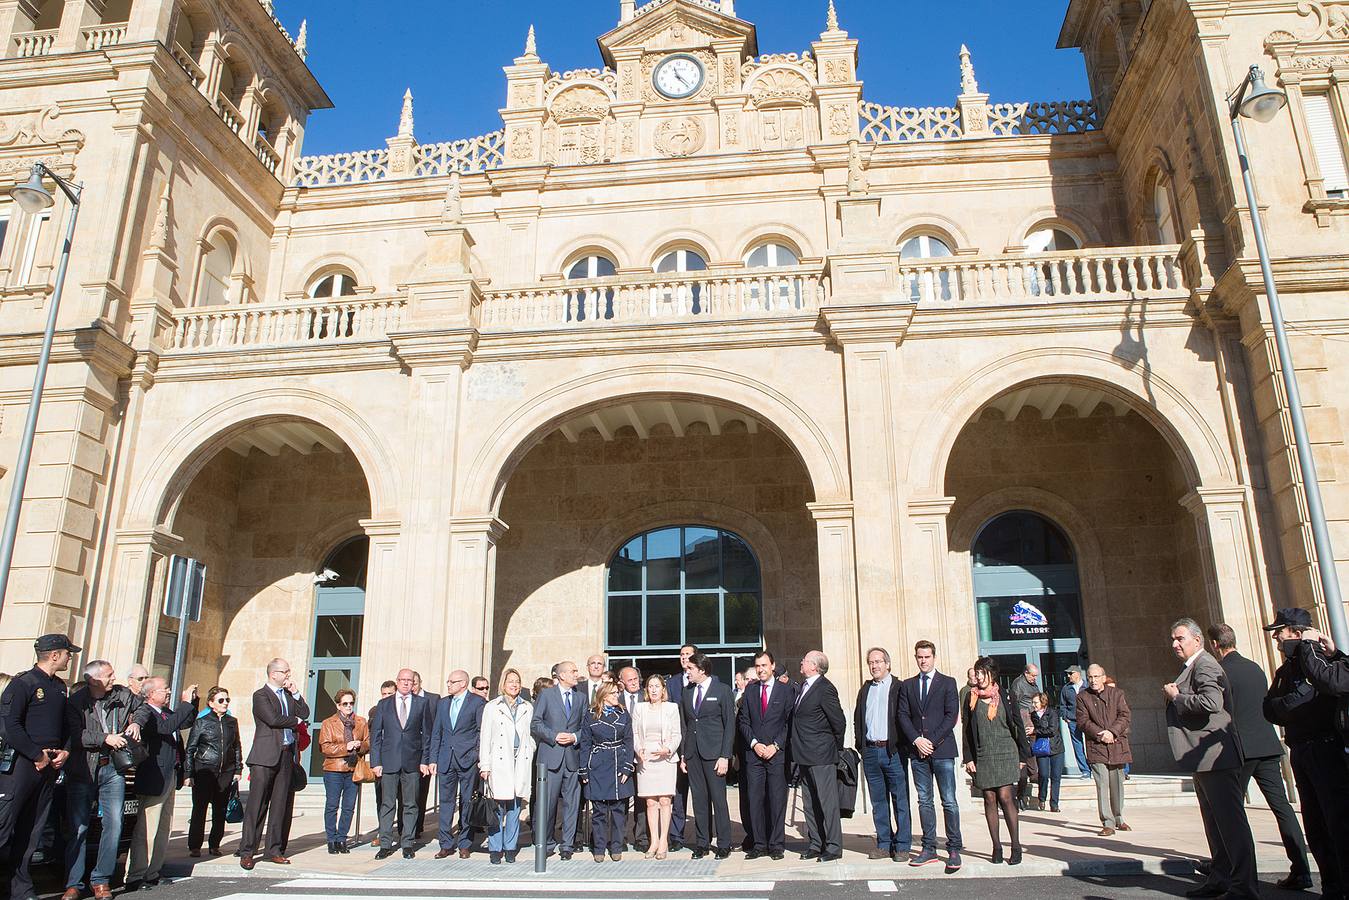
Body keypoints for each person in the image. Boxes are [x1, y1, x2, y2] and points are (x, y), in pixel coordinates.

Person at [1207, 622, 1311, 890]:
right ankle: (1301, 868)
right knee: (1282, 809)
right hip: (1267, 746)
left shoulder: (1220, 672)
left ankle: (1230, 870)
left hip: (1240, 749)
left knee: (1229, 813)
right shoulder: (1255, 667)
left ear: (1214, 644)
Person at [1164, 618, 1258, 900]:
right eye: (1173, 638)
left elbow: (1211, 703)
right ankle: (1221, 878)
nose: (1174, 644)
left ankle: (1244, 887)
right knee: (1215, 824)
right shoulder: (1192, 665)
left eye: (1179, 638)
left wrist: (1177, 696)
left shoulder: (1205, 664)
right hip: (1203, 761)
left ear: (1197, 640)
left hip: (1216, 758)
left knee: (1230, 823)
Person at [1264, 607, 1349, 900]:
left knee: (1337, 821)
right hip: (1300, 750)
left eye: (1281, 632)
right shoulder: (1286, 670)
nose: (1276, 639)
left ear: (1298, 633)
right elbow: (1271, 707)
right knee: (1315, 825)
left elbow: (1326, 684)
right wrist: (1288, 704)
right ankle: (1332, 887)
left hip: (1326, 750)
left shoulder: (1320, 661)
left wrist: (1314, 648)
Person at [61, 660, 146, 900]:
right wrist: (105, 738)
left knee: (114, 824)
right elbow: (77, 735)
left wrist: (137, 721)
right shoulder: (76, 702)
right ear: (93, 680)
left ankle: (101, 880)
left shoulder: (122, 694)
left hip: (113, 771)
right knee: (78, 827)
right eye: (108, 675)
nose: (113, 678)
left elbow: (143, 708)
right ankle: (73, 883)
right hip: (83, 770)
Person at [0, 634, 75, 900]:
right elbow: (11, 726)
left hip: (49, 767)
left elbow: (66, 725)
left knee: (31, 830)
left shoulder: (60, 687)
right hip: (23, 766)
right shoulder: (24, 683)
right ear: (54, 655)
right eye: (68, 653)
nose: (70, 657)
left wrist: (65, 750)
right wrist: (36, 755)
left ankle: (20, 888)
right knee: (5, 826)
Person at [127, 677, 198, 889]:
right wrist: (184, 703)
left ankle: (153, 872)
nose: (168, 692)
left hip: (170, 775)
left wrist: (192, 702)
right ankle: (136, 875)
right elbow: (166, 728)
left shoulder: (166, 713)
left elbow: (184, 722)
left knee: (163, 827)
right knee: (147, 828)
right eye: (164, 689)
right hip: (154, 775)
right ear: (150, 694)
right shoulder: (147, 713)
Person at [898, 640, 961, 872]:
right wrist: (917, 740)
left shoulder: (948, 683)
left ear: (934, 657)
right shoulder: (908, 685)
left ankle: (953, 848)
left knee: (949, 800)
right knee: (924, 800)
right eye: (919, 657)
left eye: (926, 657)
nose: (923, 661)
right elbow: (903, 716)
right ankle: (929, 848)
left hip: (942, 751)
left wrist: (930, 741)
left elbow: (951, 716)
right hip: (917, 752)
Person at [239, 658, 309, 870]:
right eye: (285, 671)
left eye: (289, 671)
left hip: (286, 756)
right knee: (257, 805)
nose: (288, 674)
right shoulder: (261, 695)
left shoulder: (288, 695)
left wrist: (296, 693)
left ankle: (274, 849)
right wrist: (296, 722)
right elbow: (273, 719)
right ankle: (248, 850)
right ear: (273, 674)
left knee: (280, 805)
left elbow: (304, 713)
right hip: (264, 757)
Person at [962, 656, 1026, 866]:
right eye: (976, 673)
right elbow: (967, 731)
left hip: (1006, 751)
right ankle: (996, 846)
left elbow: (1017, 724)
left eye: (981, 673)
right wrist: (969, 757)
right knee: (989, 798)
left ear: (991, 674)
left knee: (1006, 796)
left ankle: (1015, 845)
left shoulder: (1006, 695)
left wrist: (1023, 756)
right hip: (983, 753)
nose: (977, 677)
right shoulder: (971, 698)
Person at [853, 647, 910, 861]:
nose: (874, 666)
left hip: (892, 751)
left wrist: (901, 746)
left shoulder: (899, 687)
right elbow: (858, 719)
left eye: (878, 661)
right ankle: (884, 844)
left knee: (900, 800)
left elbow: (906, 718)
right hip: (870, 751)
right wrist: (861, 745)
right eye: (871, 662)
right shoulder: (865, 689)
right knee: (878, 801)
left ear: (887, 663)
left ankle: (902, 845)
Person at [370, 668, 432, 859]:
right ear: (397, 681)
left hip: (412, 762)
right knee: (387, 804)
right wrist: (376, 761)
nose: (406, 683)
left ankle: (407, 843)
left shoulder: (422, 703)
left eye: (409, 680)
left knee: (410, 804)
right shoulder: (384, 704)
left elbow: (426, 735)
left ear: (414, 683)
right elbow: (376, 736)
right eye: (403, 680)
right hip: (388, 762)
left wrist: (425, 760)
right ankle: (386, 843)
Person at [791, 650, 846, 863]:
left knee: (827, 802)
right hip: (804, 755)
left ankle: (833, 846)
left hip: (821, 755)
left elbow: (838, 722)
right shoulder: (804, 687)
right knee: (809, 803)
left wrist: (834, 749)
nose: (801, 662)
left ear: (814, 666)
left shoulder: (825, 688)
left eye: (804, 660)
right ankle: (816, 843)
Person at [679, 652, 734, 859]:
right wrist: (684, 754)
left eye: (690, 669)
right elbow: (685, 725)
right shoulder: (687, 692)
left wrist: (725, 756)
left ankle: (724, 843)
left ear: (702, 670)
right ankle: (702, 843)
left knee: (718, 800)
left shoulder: (722, 690)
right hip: (693, 754)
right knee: (699, 801)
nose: (687, 671)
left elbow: (729, 726)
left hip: (714, 755)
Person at [477, 668, 535, 864]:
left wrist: (529, 749)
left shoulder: (527, 706)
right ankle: (495, 847)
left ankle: (510, 847)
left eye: (517, 681)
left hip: (519, 761)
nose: (514, 685)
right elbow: (485, 737)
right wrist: (485, 764)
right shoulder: (492, 707)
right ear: (503, 684)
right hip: (499, 762)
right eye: (510, 681)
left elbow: (531, 734)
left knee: (515, 808)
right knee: (496, 808)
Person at [737, 650, 790, 861]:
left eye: (764, 665)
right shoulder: (750, 691)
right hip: (755, 755)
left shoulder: (786, 691)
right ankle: (759, 844)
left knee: (777, 800)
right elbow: (743, 721)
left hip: (776, 755)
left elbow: (789, 722)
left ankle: (776, 844)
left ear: (773, 666)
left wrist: (776, 745)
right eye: (757, 666)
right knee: (755, 800)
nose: (760, 670)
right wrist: (754, 743)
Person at [531, 660, 585, 858]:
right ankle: (546, 843)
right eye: (573, 671)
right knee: (548, 804)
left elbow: (585, 726)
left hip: (572, 758)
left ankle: (567, 846)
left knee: (572, 804)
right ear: (561, 675)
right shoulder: (546, 695)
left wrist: (574, 737)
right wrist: (553, 736)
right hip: (551, 757)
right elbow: (535, 723)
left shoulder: (581, 697)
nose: (576, 674)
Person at [429, 669, 486, 858]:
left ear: (463, 683)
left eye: (452, 682)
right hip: (446, 759)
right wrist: (433, 759)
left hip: (467, 760)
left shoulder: (477, 702)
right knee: (445, 802)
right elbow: (436, 732)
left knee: (467, 802)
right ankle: (446, 843)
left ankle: (465, 843)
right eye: (448, 681)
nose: (448, 685)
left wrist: (475, 755)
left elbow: (481, 732)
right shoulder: (443, 703)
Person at [579, 682, 636, 861]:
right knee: (599, 811)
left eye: (617, 693)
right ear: (603, 695)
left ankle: (617, 846)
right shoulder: (590, 715)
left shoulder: (623, 713)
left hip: (618, 761)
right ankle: (599, 848)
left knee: (619, 811)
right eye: (612, 694)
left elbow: (629, 741)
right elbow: (586, 743)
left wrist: (628, 767)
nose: (616, 696)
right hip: (597, 763)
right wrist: (584, 770)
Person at [185, 686, 242, 858]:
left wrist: (238, 768)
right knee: (199, 809)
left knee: (220, 809)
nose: (225, 703)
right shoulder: (202, 722)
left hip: (225, 771)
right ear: (211, 703)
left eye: (227, 700)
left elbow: (236, 746)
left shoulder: (232, 722)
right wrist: (188, 774)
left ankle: (214, 844)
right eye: (221, 700)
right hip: (204, 769)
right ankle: (195, 845)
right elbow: (191, 748)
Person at [1076, 663, 1131, 835]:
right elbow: (1083, 721)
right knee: (1102, 785)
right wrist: (1101, 734)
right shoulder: (1082, 697)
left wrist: (1112, 732)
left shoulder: (1117, 694)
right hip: (1097, 747)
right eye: (1090, 677)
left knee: (1117, 785)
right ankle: (1107, 822)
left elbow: (1125, 715)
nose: (1093, 680)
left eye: (1096, 676)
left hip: (1116, 745)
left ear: (1103, 677)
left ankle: (1119, 818)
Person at [633, 673, 681, 859]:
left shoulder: (671, 708)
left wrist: (668, 749)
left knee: (665, 800)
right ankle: (653, 841)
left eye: (657, 686)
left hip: (665, 758)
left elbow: (677, 734)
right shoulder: (640, 708)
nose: (653, 689)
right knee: (651, 801)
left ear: (663, 690)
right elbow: (635, 733)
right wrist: (638, 750)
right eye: (650, 686)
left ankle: (663, 841)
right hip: (646, 758)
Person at [317, 688, 369, 854]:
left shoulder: (361, 722)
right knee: (332, 805)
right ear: (338, 705)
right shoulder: (328, 723)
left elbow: (369, 743)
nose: (349, 706)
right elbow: (324, 747)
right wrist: (345, 747)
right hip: (334, 768)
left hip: (353, 768)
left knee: (349, 806)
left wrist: (360, 745)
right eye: (345, 703)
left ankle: (342, 838)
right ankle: (331, 839)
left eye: (351, 703)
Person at [664, 643, 698, 850]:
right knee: (678, 794)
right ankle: (676, 836)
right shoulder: (672, 683)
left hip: (699, 746)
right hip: (678, 746)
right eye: (682, 655)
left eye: (688, 654)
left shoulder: (708, 682)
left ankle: (705, 835)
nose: (684, 658)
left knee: (703, 794)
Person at [616, 666, 648, 853]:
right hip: (621, 757)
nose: (635, 682)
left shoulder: (647, 697)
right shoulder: (615, 699)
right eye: (630, 680)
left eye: (636, 678)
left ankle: (642, 837)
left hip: (644, 757)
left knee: (642, 799)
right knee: (621, 799)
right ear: (621, 682)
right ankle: (619, 837)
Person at [368, 679, 396, 848]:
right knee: (383, 800)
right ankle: (383, 833)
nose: (386, 697)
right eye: (384, 694)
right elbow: (373, 737)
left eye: (389, 694)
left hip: (399, 761)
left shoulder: (405, 708)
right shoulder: (376, 710)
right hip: (382, 763)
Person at [411, 671, 439, 839]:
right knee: (409, 793)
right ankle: (408, 827)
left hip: (426, 752)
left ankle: (418, 825)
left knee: (422, 791)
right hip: (409, 753)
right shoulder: (405, 699)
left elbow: (436, 727)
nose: (412, 686)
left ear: (420, 682)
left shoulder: (433, 699)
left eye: (414, 682)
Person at [1008, 664, 1038, 809]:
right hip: (1023, 718)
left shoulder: (1033, 684)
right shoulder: (1019, 684)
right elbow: (1015, 705)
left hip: (1032, 717)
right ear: (1026, 673)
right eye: (1032, 675)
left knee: (1033, 750)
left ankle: (1034, 775)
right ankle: (1019, 795)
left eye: (1036, 675)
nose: (1034, 678)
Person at [1029, 693, 1064, 812]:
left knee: (1056, 777)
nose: (1033, 705)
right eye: (1033, 703)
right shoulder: (1033, 715)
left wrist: (1035, 731)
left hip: (1056, 747)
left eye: (1036, 702)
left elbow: (1052, 730)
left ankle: (1054, 804)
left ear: (1043, 702)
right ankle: (1042, 798)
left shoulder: (1052, 713)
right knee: (1043, 775)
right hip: (1042, 748)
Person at [1060, 666, 1090, 778]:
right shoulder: (1066, 688)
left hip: (1087, 720)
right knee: (1077, 745)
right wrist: (1065, 717)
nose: (1068, 676)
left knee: (1090, 744)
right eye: (1067, 674)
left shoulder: (1087, 686)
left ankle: (1094, 767)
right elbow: (1062, 705)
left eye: (1070, 673)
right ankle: (1085, 770)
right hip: (1073, 721)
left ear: (1077, 673)